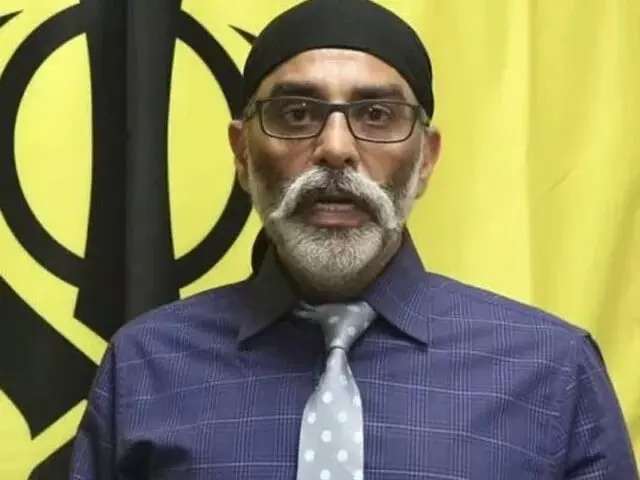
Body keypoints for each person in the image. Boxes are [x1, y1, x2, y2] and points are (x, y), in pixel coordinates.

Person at [69, 0, 638, 478]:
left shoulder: (552, 372)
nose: (336, 148)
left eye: (377, 114)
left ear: (425, 159)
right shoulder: (144, 366)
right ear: (242, 154)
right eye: (296, 113)